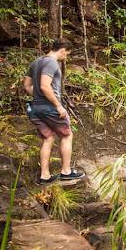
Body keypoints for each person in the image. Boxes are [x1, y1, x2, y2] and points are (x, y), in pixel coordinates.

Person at [23, 38, 85, 184]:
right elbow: (45, 86)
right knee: (67, 135)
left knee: (48, 138)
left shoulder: (36, 62)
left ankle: (45, 176)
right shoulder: (51, 62)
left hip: (35, 107)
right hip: (50, 108)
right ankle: (66, 171)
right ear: (63, 50)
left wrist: (38, 97)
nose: (65, 58)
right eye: (66, 54)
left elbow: (27, 86)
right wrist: (57, 105)